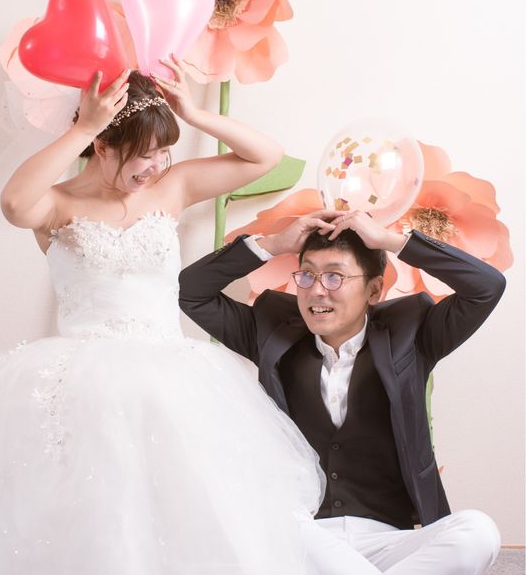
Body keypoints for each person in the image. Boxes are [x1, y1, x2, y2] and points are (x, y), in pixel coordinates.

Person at [0, 58, 329, 574]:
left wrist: (195, 114)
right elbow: (14, 204)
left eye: (163, 151)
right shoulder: (55, 204)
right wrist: (82, 127)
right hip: (82, 386)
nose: (155, 165)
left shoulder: (173, 187)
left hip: (169, 381)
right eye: (143, 154)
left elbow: (266, 156)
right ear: (102, 146)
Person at [178, 209, 505, 574]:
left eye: (335, 276)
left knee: (478, 531)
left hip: (388, 540)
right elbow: (190, 292)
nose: (317, 289)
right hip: (303, 536)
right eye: (307, 274)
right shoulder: (269, 330)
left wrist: (390, 240)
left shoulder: (413, 335)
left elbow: (486, 287)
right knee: (265, 516)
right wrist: (274, 244)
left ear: (374, 289)